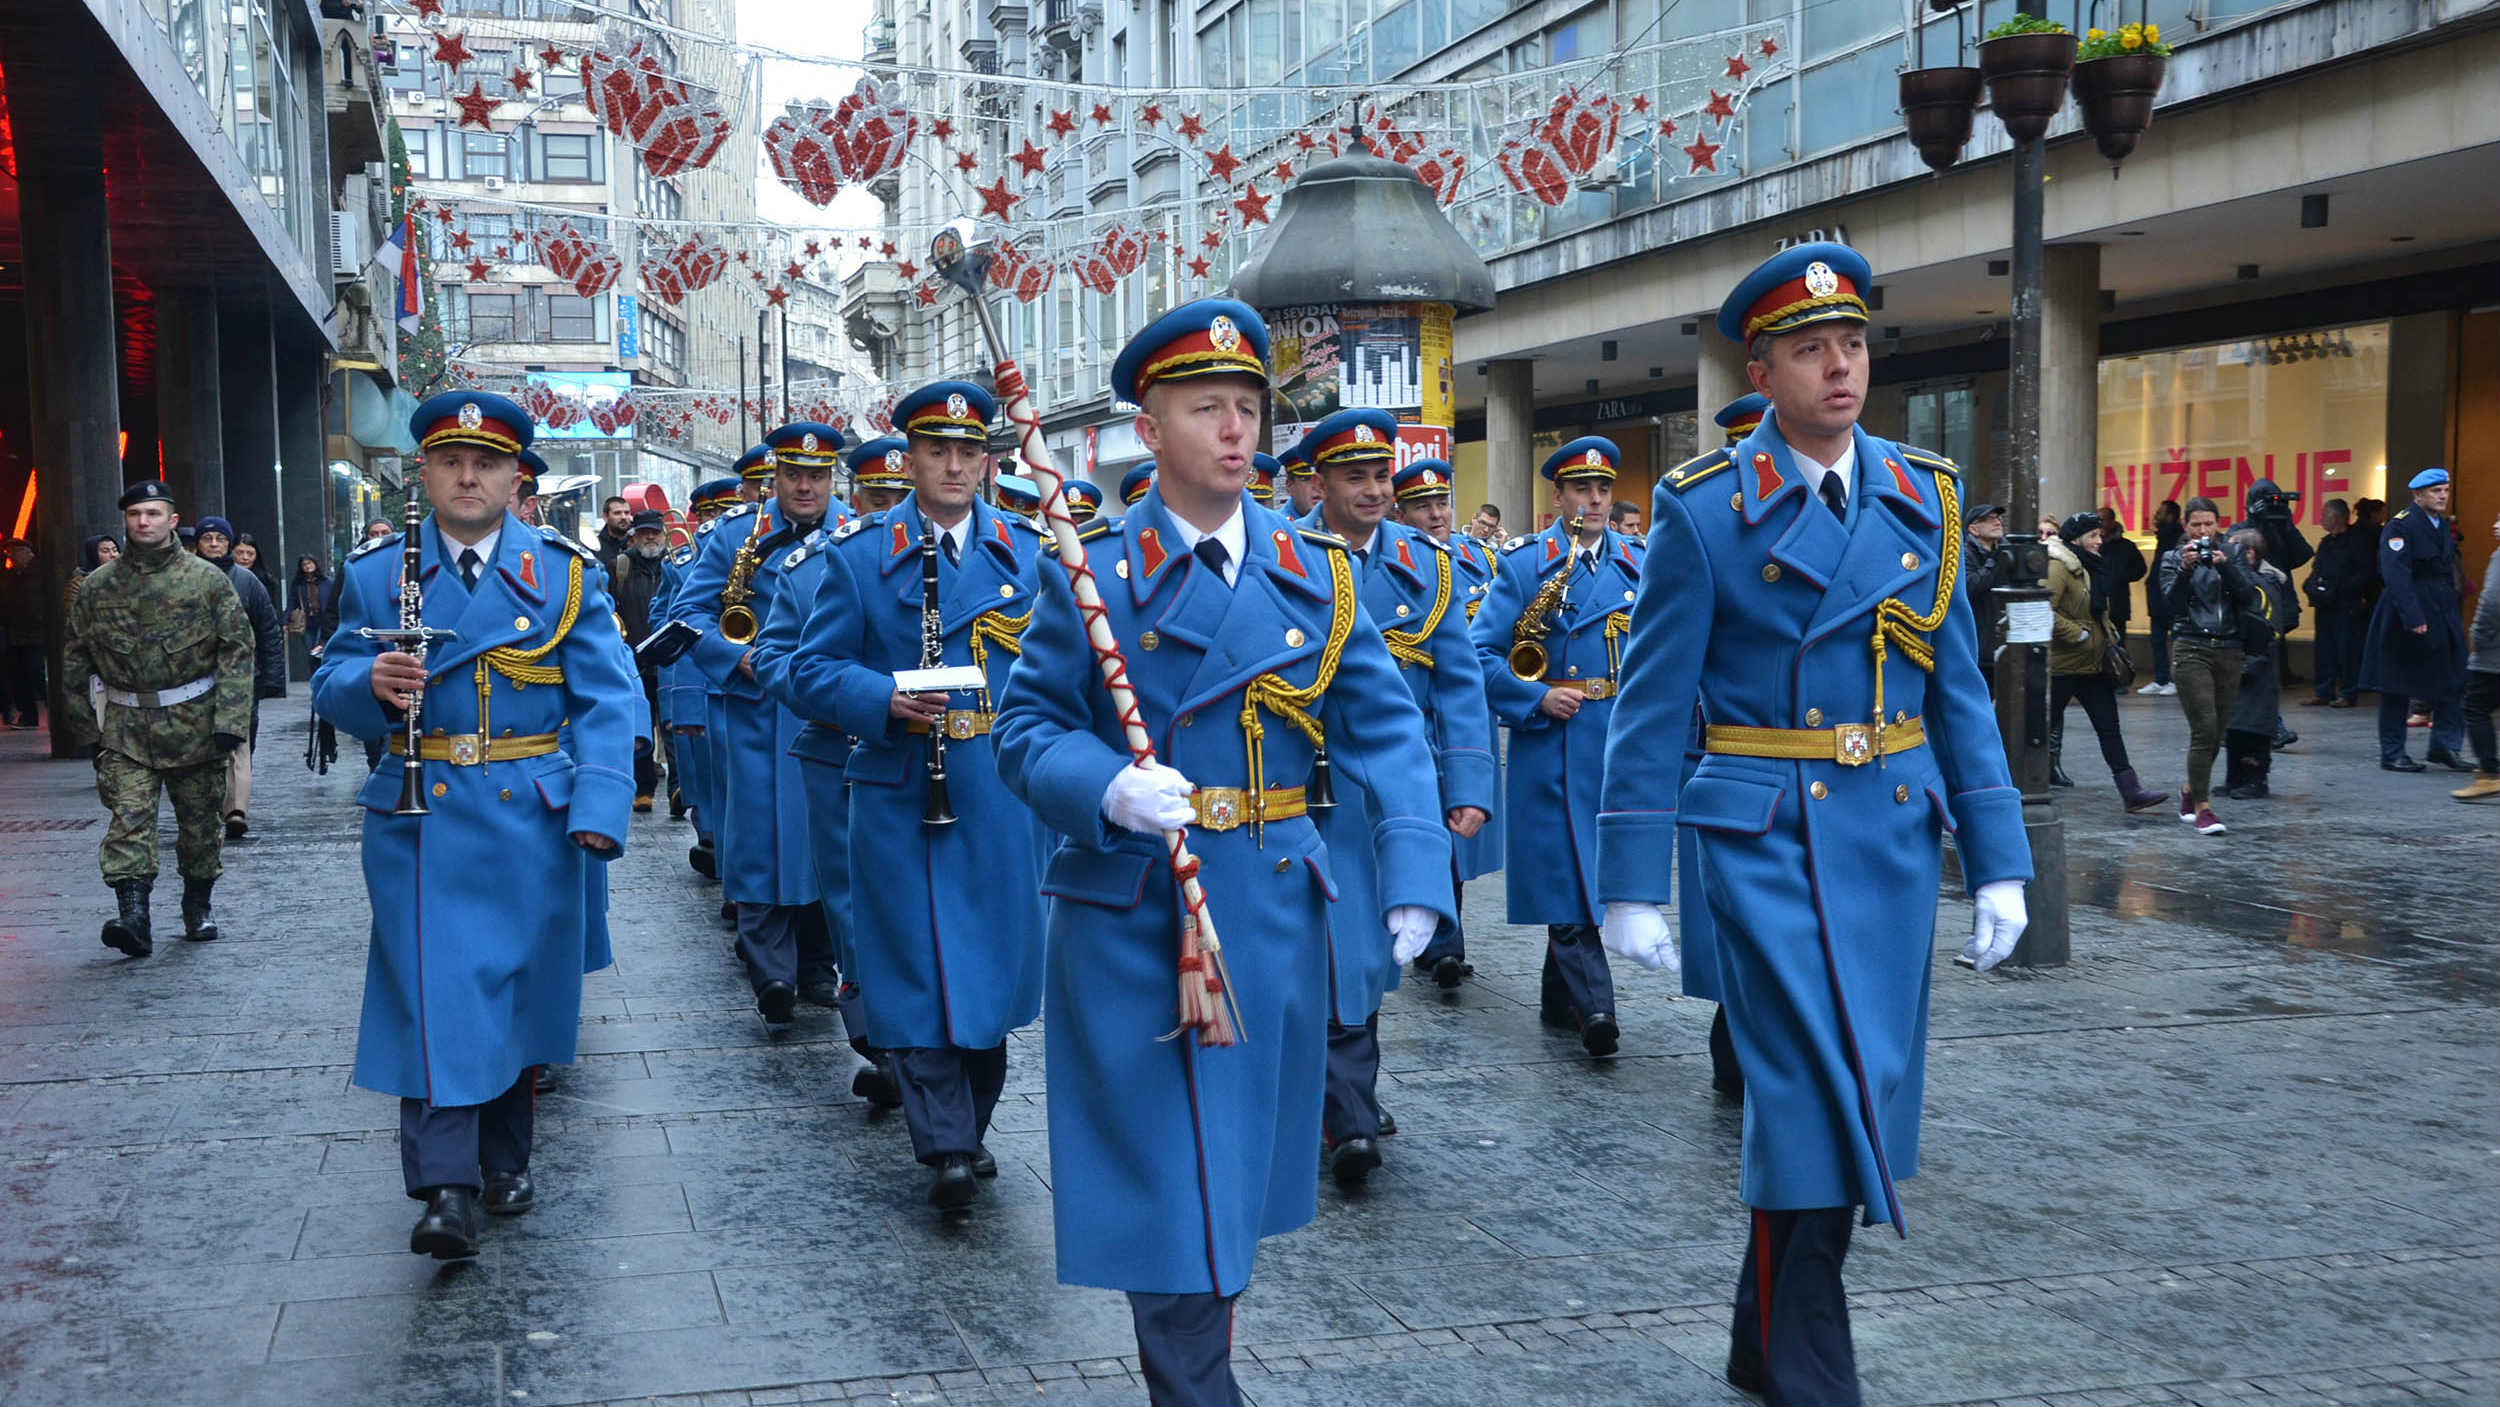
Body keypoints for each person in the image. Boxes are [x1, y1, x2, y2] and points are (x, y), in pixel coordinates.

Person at [995, 298, 1452, 1407]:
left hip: (1269, 906)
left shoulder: (1318, 575)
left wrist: (1415, 867)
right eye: (1208, 408)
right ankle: (1198, 1392)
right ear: (1148, 432)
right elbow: (1025, 732)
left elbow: (1386, 729)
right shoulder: (1087, 571)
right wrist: (1103, 783)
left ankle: (1199, 1371)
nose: (1237, 430)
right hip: (1134, 913)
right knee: (1169, 1176)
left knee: (1232, 1177)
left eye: (1248, 407)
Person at [1596, 242, 2031, 1407]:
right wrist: (1629, 882)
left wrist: (1999, 863)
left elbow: (1956, 692)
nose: (1838, 369)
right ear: (1762, 366)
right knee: (1806, 1096)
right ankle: (1809, 1372)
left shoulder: (1923, 494)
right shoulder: (1701, 513)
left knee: (1866, 1087)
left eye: (1851, 344)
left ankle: (1758, 1332)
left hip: (1888, 837)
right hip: (1763, 840)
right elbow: (1647, 708)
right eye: (1809, 349)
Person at [312, 389, 638, 1261]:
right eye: (451, 461)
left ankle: (505, 1158)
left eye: (487, 463)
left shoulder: (565, 574)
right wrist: (366, 684)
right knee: (431, 994)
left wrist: (603, 806)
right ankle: (443, 1186)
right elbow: (332, 679)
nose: (468, 476)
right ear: (422, 471)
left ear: (514, 476)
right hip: (421, 816)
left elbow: (609, 699)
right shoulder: (380, 571)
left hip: (529, 811)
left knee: (517, 993)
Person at [786, 384, 1048, 1209]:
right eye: (938, 450)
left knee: (990, 977)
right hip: (901, 789)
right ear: (909, 460)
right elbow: (806, 667)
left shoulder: (1030, 554)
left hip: (999, 794)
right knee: (916, 971)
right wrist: (880, 699)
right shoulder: (860, 555)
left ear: (989, 461)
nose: (956, 465)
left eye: (970, 451)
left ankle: (965, 1125)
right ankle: (946, 1145)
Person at [1292, 411, 1493, 1190]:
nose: (1375, 490)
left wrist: (1469, 784)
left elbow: (1459, 683)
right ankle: (1347, 1109)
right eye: (1355, 477)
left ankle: (1343, 1091)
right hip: (1303, 789)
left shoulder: (1429, 566)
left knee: (1372, 956)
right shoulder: (1287, 555)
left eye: (1382, 476)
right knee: (1335, 950)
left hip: (1392, 792)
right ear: (1320, 483)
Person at [1470, 436, 1644, 1061]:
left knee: (1590, 869)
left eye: (1602, 489)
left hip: (1617, 741)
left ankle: (1558, 997)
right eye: (1580, 489)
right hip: (1555, 740)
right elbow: (1479, 653)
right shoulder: (1524, 566)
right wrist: (1535, 697)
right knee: (1571, 872)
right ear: (1558, 496)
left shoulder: (1638, 563)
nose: (1594, 500)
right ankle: (1597, 1006)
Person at [673, 428, 842, 1022]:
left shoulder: (858, 533)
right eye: (794, 474)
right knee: (759, 839)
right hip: (756, 707)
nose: (805, 486)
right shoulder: (734, 535)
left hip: (830, 708)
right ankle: (770, 967)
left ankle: (819, 964)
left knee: (825, 840)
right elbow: (688, 613)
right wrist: (736, 658)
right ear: (775, 478)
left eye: (817, 476)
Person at [61, 481, 256, 956]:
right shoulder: (98, 586)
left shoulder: (207, 580)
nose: (142, 522)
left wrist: (232, 721)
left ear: (172, 521)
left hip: (195, 725)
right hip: (127, 727)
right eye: (134, 514)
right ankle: (134, 917)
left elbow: (237, 650)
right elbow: (74, 658)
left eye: (152, 513)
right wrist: (86, 730)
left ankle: (197, 905)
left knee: (198, 827)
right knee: (128, 821)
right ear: (125, 522)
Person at [1395, 458, 1502, 989]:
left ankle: (1444, 941)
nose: (1436, 514)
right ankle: (1431, 940)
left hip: (1458, 712)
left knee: (1453, 829)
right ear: (1401, 511)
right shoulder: (1396, 560)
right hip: (1408, 713)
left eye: (1441, 504)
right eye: (1423, 506)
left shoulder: (1478, 559)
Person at [2157, 496, 2266, 833]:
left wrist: (2226, 566)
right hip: (2191, 646)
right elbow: (2170, 606)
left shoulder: (2232, 553)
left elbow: (2249, 597)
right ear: (2185, 527)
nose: (2203, 531)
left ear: (2218, 524)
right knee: (2204, 728)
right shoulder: (2173, 557)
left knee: (2217, 732)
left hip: (2230, 649)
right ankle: (2204, 809)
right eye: (2196, 525)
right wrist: (2186, 571)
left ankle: (2191, 790)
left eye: (2209, 524)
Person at [2048, 512, 2170, 812]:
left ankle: (2132, 791)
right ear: (2077, 538)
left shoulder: (2091, 565)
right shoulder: (2059, 566)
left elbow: (2097, 611)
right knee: (2039, 730)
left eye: (2099, 535)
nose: (2099, 541)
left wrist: (2108, 637)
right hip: (2062, 664)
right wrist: (2079, 635)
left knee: (2109, 728)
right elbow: (2043, 609)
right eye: (2093, 536)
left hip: (2094, 663)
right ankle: (2015, 787)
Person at [2359, 468, 2471, 773]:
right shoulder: (2400, 525)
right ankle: (2393, 752)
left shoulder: (2440, 524)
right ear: (2417, 494)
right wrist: (2413, 616)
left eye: (2446, 490)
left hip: (2442, 608)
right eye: (2436, 491)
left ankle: (2445, 746)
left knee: (2454, 678)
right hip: (2406, 610)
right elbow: (2396, 574)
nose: (2443, 496)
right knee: (2398, 683)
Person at [192, 516, 289, 838]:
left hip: (242, 678)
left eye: (221, 539)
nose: (215, 545)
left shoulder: (247, 582)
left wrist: (273, 675)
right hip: (196, 681)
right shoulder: (185, 579)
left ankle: (236, 809)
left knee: (240, 743)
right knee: (204, 747)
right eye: (209, 539)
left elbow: (269, 630)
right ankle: (215, 805)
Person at [661, 477, 742, 855]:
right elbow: (679, 626)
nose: (720, 517)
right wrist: (684, 700)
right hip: (712, 681)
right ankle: (716, 848)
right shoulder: (690, 558)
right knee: (713, 780)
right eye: (712, 511)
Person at [2223, 527, 2297, 799]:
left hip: (2256, 671)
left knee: (2253, 729)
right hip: (2240, 667)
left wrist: (2250, 663)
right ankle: (2235, 778)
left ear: (2250, 554)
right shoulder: (2243, 583)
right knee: (2235, 729)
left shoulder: (2263, 586)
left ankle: (2255, 779)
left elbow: (2267, 631)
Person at [611, 509, 672, 812]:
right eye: (644, 532)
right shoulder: (618, 568)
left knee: (674, 725)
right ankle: (643, 789)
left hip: (670, 658)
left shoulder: (675, 567)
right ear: (634, 536)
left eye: (655, 532)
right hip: (634, 660)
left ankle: (679, 789)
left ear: (663, 534)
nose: (650, 537)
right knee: (640, 728)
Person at [2302, 499, 2370, 707]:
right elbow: (2317, 568)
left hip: (2346, 604)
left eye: (2324, 515)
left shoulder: (2357, 542)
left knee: (2347, 649)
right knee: (2324, 649)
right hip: (2325, 604)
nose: (2321, 519)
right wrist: (2312, 586)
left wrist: (2343, 590)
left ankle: (2348, 692)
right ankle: (2323, 690)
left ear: (2337, 517)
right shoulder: (2326, 543)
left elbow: (2365, 573)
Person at [2454, 507, 2500, 802]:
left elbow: (2493, 600)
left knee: (2475, 707)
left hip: (2493, 653)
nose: (2495, 525)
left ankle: (2489, 774)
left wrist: (2478, 637)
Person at [1961, 502, 2011, 685]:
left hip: (2002, 640)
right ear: (1974, 529)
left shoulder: (2005, 551)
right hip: (1978, 642)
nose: (1997, 522)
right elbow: (1969, 587)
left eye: (1998, 518)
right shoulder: (1965, 553)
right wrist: (1993, 563)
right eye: (1990, 520)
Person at [0, 538, 48, 727]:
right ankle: (28, 715)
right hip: (14, 633)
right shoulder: (9, 577)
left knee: (36, 671)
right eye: (10, 552)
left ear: (29, 552)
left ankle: (53, 707)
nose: (13, 555)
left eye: (17, 551)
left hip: (36, 632)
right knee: (18, 676)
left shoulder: (40, 574)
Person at [2139, 499, 2183, 695]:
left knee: (2175, 639)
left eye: (2161, 512)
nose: (2156, 516)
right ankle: (2161, 679)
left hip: (2170, 597)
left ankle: (2174, 680)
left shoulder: (2175, 538)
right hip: (2157, 597)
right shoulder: (2163, 537)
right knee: (2156, 639)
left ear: (2172, 516)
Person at [2096, 506, 2147, 674]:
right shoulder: (2093, 544)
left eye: (2103, 519)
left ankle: (2119, 675)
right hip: (2097, 599)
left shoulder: (2126, 546)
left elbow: (2140, 569)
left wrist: (2120, 577)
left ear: (2111, 522)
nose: (2100, 523)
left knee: (2118, 641)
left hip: (2118, 600)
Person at [232, 533, 280, 602]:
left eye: (250, 554)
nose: (245, 557)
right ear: (232, 553)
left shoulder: (266, 580)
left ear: (256, 556)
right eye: (240, 553)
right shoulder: (224, 577)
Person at [1281, 443, 1319, 516]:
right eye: (1307, 479)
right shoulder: (1276, 525)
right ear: (1289, 485)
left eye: (1321, 479)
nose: (1317, 486)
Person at [597, 495, 634, 565]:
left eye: (627, 513)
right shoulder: (596, 547)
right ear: (605, 517)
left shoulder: (638, 543)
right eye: (617, 513)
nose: (623, 517)